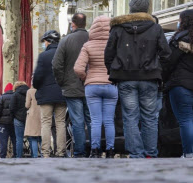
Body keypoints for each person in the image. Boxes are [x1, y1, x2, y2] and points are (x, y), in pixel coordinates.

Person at [104, 0, 171, 158]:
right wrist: (159, 71)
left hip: (125, 78)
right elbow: (166, 54)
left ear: (130, 9)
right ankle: (150, 153)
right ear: (147, 9)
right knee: (150, 117)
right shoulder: (155, 28)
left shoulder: (118, 28)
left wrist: (114, 71)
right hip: (150, 77)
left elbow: (108, 55)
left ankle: (136, 154)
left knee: (130, 117)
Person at [74, 16, 118, 158]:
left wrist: (86, 77)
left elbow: (78, 68)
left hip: (92, 86)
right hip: (111, 84)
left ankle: (95, 150)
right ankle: (111, 151)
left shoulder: (88, 45)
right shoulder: (115, 43)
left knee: (96, 120)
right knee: (109, 120)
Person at [52, 13, 91, 157]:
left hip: (71, 87)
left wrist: (62, 81)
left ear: (73, 24)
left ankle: (80, 152)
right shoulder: (92, 38)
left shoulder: (66, 40)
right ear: (85, 23)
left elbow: (56, 65)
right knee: (92, 119)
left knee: (78, 121)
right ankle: (94, 149)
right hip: (90, 85)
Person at [162, 9, 193, 158]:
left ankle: (189, 153)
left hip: (180, 85)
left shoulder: (179, 38)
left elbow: (169, 62)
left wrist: (164, 79)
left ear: (183, 21)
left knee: (186, 120)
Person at [33, 30, 66, 158]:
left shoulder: (43, 56)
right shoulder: (64, 54)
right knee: (60, 122)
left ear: (48, 42)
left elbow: (37, 77)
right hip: (61, 93)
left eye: (45, 41)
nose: (44, 44)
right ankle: (61, 152)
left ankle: (46, 152)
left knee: (46, 122)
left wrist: (37, 86)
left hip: (45, 94)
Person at [0, 83, 17, 158]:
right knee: (15, 140)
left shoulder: (1, 98)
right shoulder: (16, 97)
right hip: (14, 123)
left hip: (2, 123)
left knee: (3, 142)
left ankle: (3, 156)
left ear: (5, 90)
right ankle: (16, 155)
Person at [10, 81, 29, 158]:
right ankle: (34, 155)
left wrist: (14, 116)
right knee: (31, 138)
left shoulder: (15, 94)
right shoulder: (30, 93)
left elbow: (11, 108)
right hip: (28, 118)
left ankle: (19, 157)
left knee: (19, 139)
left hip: (18, 119)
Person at [25, 80, 41, 158]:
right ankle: (43, 155)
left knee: (33, 137)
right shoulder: (42, 90)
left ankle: (35, 156)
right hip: (42, 115)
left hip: (32, 115)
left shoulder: (30, 91)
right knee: (41, 137)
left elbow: (27, 105)